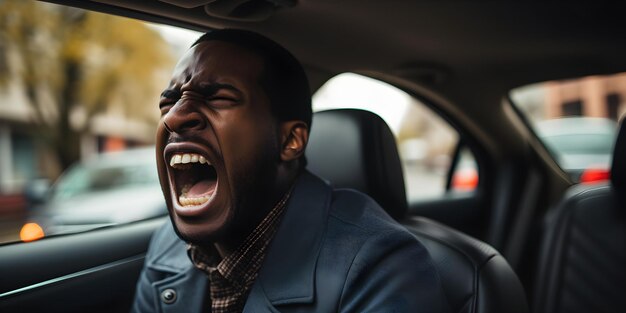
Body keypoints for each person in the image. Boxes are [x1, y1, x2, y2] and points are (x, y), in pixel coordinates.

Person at [132, 29, 448, 313]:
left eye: (219, 97)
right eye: (168, 102)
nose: (174, 117)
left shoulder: (382, 267)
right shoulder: (167, 247)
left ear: (290, 141)